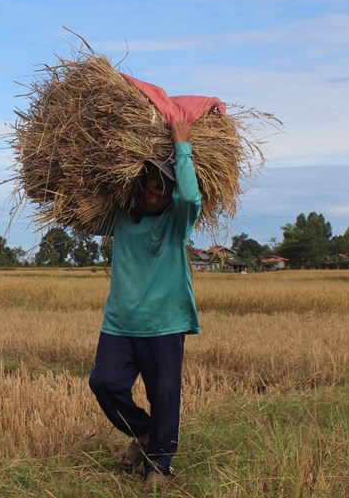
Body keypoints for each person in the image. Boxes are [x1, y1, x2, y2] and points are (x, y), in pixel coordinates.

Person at [88, 120, 201, 488]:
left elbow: (189, 198)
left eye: (165, 192)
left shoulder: (176, 221)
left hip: (165, 322)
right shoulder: (120, 214)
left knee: (164, 395)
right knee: (104, 383)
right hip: (120, 321)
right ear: (140, 184)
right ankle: (148, 434)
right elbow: (85, 198)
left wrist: (182, 147)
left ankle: (161, 465)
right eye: (153, 189)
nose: (158, 198)